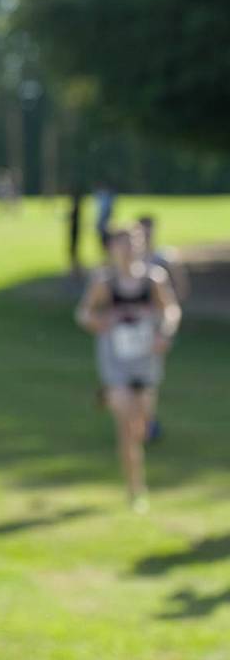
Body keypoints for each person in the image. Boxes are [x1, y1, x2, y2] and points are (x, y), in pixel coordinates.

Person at [76, 226, 181, 512]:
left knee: (141, 428)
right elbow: (84, 312)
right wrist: (100, 321)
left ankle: (136, 420)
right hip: (116, 363)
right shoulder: (104, 281)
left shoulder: (153, 279)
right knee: (126, 425)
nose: (128, 249)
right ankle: (136, 489)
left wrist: (165, 333)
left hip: (146, 363)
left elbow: (171, 310)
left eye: (133, 243)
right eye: (121, 244)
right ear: (111, 248)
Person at [137, 214, 189, 442]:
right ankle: (139, 420)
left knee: (149, 376)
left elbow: (180, 288)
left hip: (156, 324)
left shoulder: (164, 258)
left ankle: (148, 422)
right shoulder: (131, 260)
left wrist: (169, 311)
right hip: (133, 326)